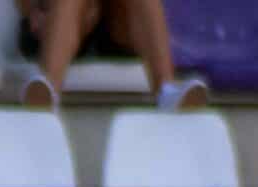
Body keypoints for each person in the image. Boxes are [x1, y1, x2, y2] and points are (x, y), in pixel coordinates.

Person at [18, 0, 208, 111]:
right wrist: (32, 10)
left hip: (110, 24)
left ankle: (166, 90)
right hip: (55, 20)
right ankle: (47, 90)